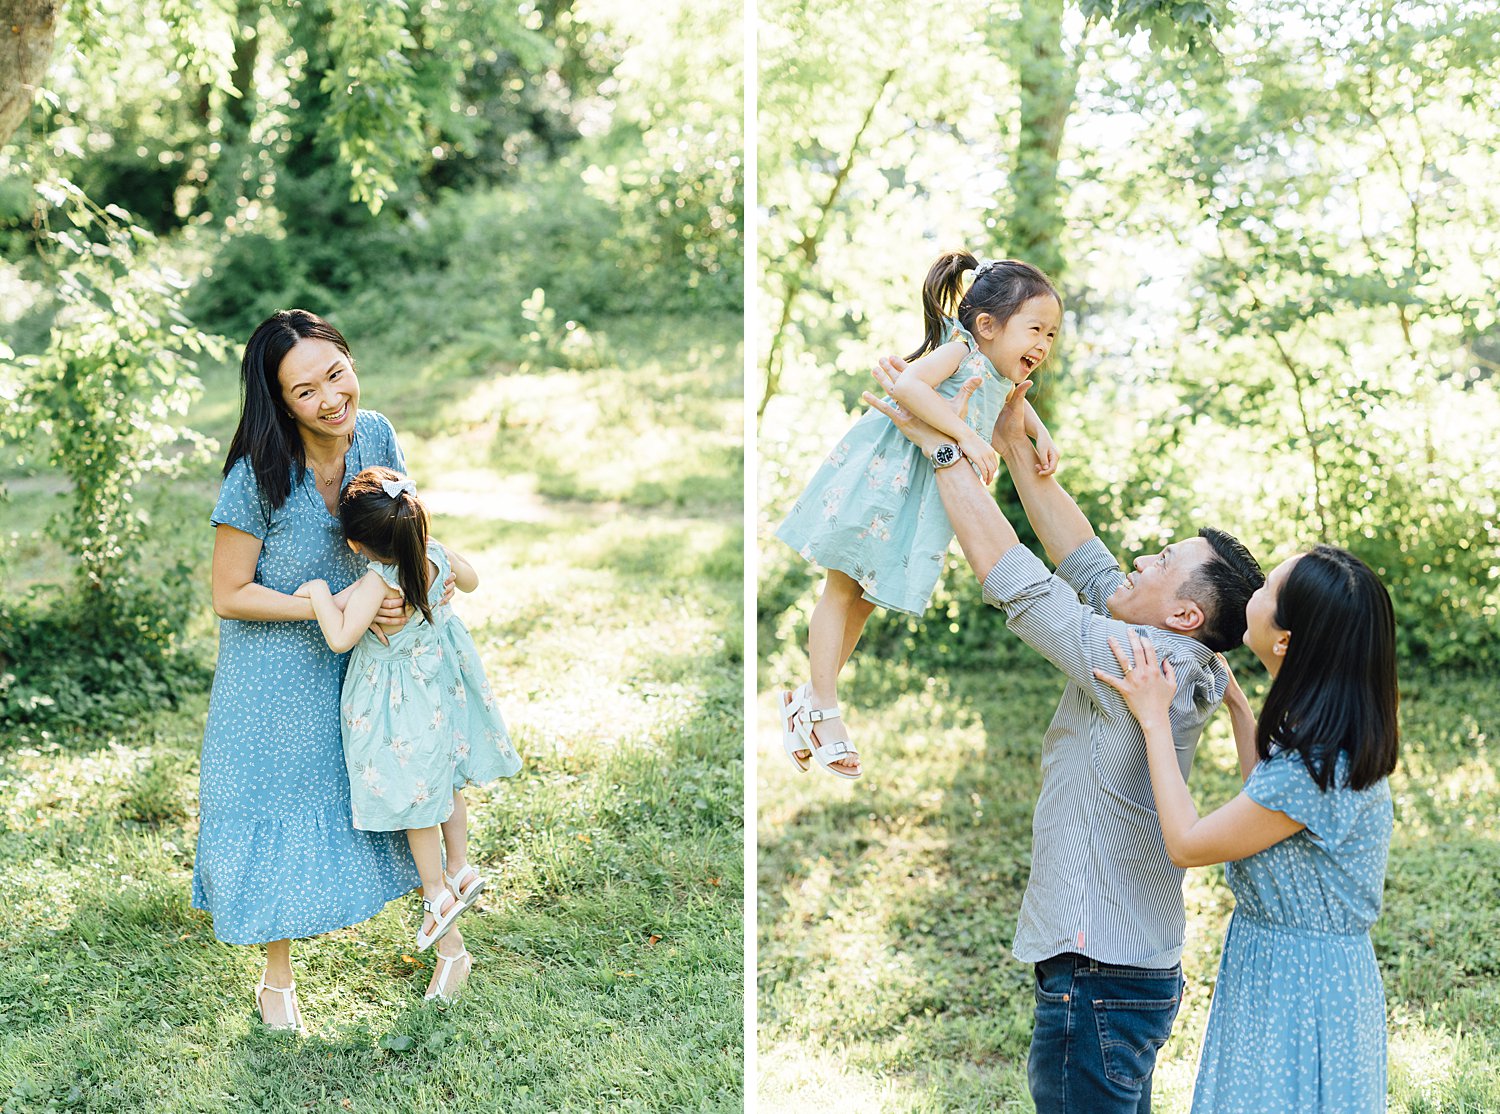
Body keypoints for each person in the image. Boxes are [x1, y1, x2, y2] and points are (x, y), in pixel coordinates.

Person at [862, 360, 1264, 1112]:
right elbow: (1090, 567)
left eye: (1165, 562)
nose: (1145, 558)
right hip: (1126, 972)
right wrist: (1014, 437)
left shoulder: (1141, 660)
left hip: (1099, 974)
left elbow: (1021, 582)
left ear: (1184, 612)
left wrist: (945, 450)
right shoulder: (1179, 650)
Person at [196, 309, 462, 1032]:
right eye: (305, 390)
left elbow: (402, 529)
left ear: (350, 362)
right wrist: (322, 607)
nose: (330, 398)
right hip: (273, 672)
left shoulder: (376, 433)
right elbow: (229, 593)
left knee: (398, 787)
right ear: (280, 402)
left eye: (335, 374)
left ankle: (451, 945)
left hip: (369, 661)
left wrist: (402, 598)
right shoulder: (257, 476)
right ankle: (277, 983)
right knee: (279, 811)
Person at [1097, 546, 1398, 1113]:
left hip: (1297, 985)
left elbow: (1186, 844)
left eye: (1265, 593)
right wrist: (1238, 704)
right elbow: (1266, 796)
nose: (1250, 597)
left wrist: (1155, 719)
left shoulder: (1314, 764)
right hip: (1309, 971)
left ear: (1284, 639)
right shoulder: (1326, 729)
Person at [774, 252, 1061, 779]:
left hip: (915, 497)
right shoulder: (959, 351)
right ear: (987, 326)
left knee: (862, 601)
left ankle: (807, 703)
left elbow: (1013, 403)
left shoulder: (996, 371)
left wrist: (1038, 431)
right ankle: (824, 714)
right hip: (882, 480)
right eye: (1035, 330)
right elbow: (905, 385)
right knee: (841, 590)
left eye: (1051, 336)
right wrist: (970, 437)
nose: (1043, 345)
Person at [297, 466, 522, 1001]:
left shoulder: (378, 580)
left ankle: (438, 893)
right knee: (446, 786)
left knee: (417, 801)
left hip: (399, 700)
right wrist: (441, 555)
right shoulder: (432, 554)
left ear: (356, 543)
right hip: (442, 689)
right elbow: (469, 580)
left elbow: (340, 638)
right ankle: (462, 868)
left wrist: (317, 595)